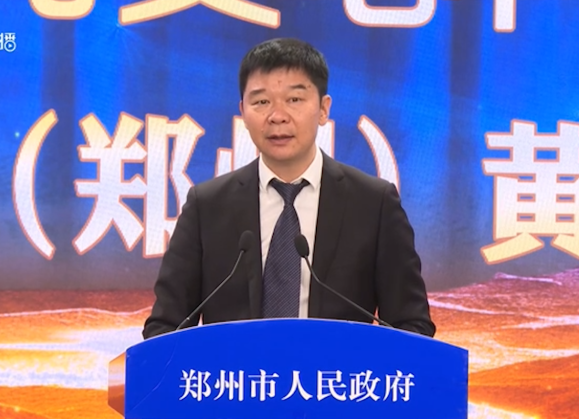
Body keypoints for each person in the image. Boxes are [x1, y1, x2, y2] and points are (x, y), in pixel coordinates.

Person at [142, 37, 435, 339]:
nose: (277, 116)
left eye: (294, 100)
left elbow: (412, 326)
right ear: (242, 111)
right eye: (261, 102)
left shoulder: (373, 204)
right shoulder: (207, 206)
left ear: (323, 109)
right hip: (237, 369)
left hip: (335, 370)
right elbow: (165, 328)